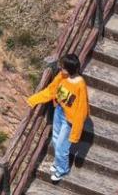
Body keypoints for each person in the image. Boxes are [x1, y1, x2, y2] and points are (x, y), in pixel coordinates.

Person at [27, 53, 89, 183]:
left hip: (70, 120)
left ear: (69, 69)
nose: (60, 69)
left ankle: (62, 169)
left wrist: (75, 134)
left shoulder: (80, 85)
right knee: (55, 140)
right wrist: (34, 99)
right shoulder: (62, 76)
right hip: (59, 111)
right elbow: (51, 90)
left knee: (62, 146)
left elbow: (81, 111)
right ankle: (58, 162)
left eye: (63, 67)